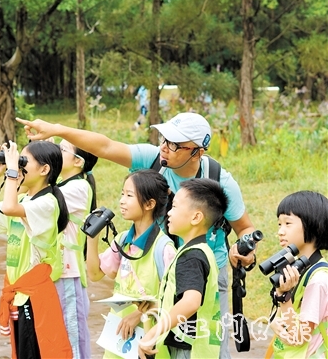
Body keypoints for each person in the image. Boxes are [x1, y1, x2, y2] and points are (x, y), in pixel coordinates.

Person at [17, 112, 257, 358]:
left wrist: (243, 251)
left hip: (205, 273)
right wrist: (57, 129)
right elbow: (105, 146)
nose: (164, 147)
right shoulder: (153, 158)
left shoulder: (220, 180)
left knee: (207, 348)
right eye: (163, 138)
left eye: (174, 144)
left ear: (197, 152)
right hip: (161, 272)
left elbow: (244, 228)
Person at [0, 140, 73, 359]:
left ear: (45, 169)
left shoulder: (47, 203)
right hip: (19, 293)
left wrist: (10, 171)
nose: (19, 166)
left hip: (34, 295)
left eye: (24, 162)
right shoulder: (23, 199)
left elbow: (9, 208)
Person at [87, 170, 176, 358]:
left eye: (129, 195)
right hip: (117, 339)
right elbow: (94, 274)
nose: (121, 201)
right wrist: (91, 236)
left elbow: (174, 300)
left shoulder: (164, 248)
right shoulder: (122, 241)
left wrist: (138, 315)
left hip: (148, 342)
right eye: (122, 194)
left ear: (150, 204)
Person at [138, 178, 228, 359]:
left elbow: (191, 302)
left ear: (196, 217)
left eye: (175, 207)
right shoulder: (201, 251)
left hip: (188, 350)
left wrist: (154, 332)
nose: (168, 213)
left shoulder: (191, 257)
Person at [268, 191, 328, 359]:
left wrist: (283, 296)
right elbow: (290, 319)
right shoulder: (301, 268)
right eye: (279, 224)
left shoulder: (318, 280)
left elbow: (298, 337)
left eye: (288, 223)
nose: (280, 231)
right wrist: (275, 320)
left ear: (312, 225)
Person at [56, 140, 98, 358]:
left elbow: (39, 202)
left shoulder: (78, 187)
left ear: (78, 162)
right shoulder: (63, 185)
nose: (55, 151)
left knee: (72, 343)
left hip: (68, 274)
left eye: (61, 149)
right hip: (58, 271)